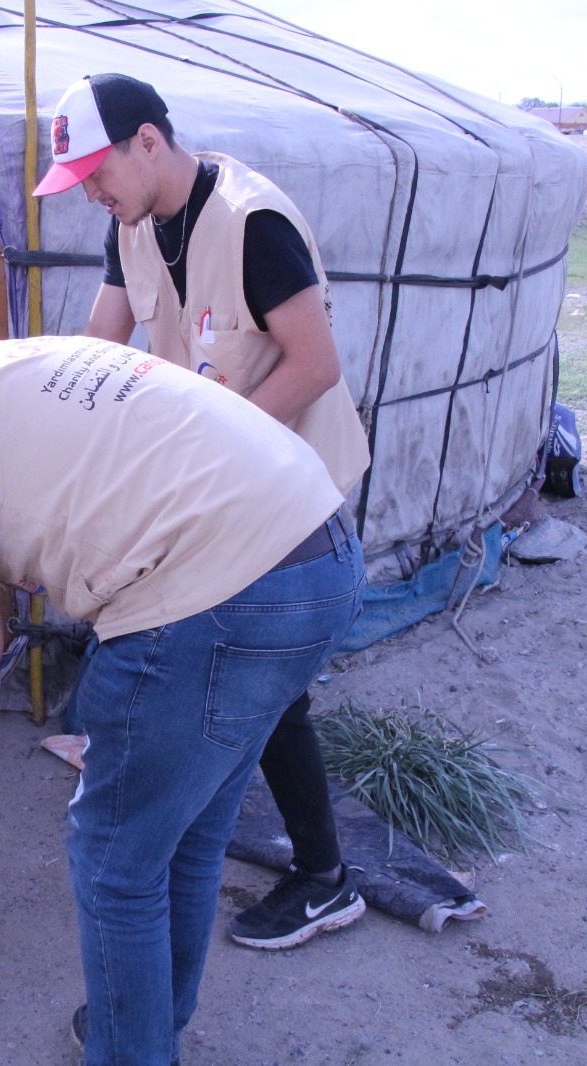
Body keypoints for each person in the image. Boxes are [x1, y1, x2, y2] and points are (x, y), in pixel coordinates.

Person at [0, 336, 363, 1066]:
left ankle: (133, 1051)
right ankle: (149, 1027)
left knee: (117, 861)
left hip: (218, 598)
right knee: (180, 832)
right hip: (322, 556)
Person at [34, 72, 373, 952]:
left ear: (148, 141)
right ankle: (255, 835)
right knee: (230, 665)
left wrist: (213, 445)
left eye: (98, 175)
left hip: (295, 483)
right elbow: (100, 349)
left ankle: (325, 877)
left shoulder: (252, 222)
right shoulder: (132, 223)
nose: (94, 198)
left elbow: (315, 365)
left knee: (267, 680)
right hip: (215, 484)